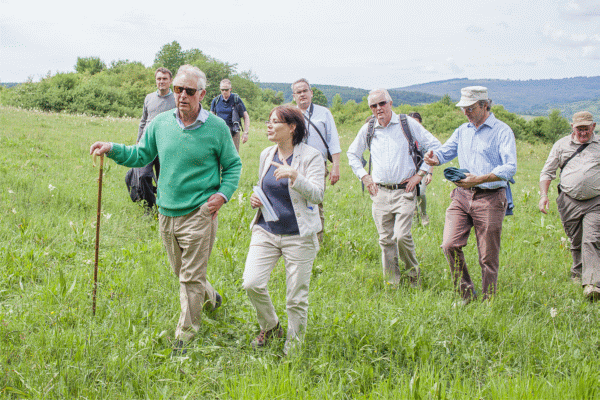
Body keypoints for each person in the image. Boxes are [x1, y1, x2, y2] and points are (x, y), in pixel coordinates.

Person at [90, 65, 242, 354]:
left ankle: (185, 336)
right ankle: (211, 297)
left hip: (200, 212)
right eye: (178, 89)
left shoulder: (217, 129)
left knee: (189, 277)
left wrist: (222, 195)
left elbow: (233, 165)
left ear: (202, 94)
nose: (182, 95)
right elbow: (141, 154)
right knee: (182, 273)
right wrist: (111, 148)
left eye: (189, 91)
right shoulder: (160, 123)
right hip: (165, 213)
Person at [242, 105, 324, 355]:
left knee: (296, 297)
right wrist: (257, 198)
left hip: (299, 235)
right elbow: (265, 186)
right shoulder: (266, 153)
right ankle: (271, 326)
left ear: (291, 127)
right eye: (268, 121)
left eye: (275, 121)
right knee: (251, 283)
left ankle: (294, 349)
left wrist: (296, 177)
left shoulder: (311, 157)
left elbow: (318, 194)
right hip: (266, 229)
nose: (269, 125)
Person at [424, 86, 517, 304]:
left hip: (491, 197)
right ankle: (465, 294)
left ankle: (488, 301)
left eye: (471, 108)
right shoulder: (462, 130)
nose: (466, 112)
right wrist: (434, 157)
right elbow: (445, 152)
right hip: (462, 195)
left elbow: (510, 167)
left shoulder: (502, 131)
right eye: (463, 108)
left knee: (487, 256)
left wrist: (481, 178)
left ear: (485, 105)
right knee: (449, 244)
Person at [347, 89, 441, 286]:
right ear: (370, 108)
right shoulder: (369, 128)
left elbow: (435, 146)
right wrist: (364, 176)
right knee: (385, 240)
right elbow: (352, 154)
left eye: (382, 103)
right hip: (379, 192)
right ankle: (392, 283)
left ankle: (414, 278)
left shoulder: (407, 123)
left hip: (404, 190)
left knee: (401, 236)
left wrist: (420, 174)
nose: (379, 108)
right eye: (374, 106)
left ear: (390, 103)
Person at [539, 111, 600, 300]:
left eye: (586, 128)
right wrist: (544, 196)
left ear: (593, 127)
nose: (583, 132)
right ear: (572, 127)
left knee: (592, 239)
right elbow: (547, 172)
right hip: (568, 200)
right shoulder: (561, 145)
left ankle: (592, 284)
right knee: (576, 239)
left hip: (595, 201)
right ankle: (577, 272)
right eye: (579, 128)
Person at [292, 78, 342, 243]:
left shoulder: (324, 113)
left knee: (314, 201)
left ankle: (316, 241)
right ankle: (297, 238)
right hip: (294, 164)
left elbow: (333, 141)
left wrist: (335, 167)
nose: (302, 95)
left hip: (318, 165)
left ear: (311, 93)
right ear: (294, 96)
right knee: (294, 200)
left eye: (305, 91)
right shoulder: (290, 113)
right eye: (298, 92)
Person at [135, 67, 176, 213]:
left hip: (167, 145)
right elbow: (143, 120)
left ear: (170, 81)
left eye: (165, 79)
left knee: (163, 178)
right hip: (147, 144)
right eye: (159, 79)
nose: (161, 81)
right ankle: (149, 207)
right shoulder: (149, 98)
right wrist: (138, 140)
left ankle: (163, 206)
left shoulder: (176, 99)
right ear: (155, 80)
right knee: (143, 175)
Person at [210, 78, 250, 152]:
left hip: (234, 131)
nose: (224, 92)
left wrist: (245, 133)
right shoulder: (216, 100)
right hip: (219, 132)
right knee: (219, 156)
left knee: (233, 157)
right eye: (222, 90)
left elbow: (246, 116)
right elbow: (211, 118)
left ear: (230, 89)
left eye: (226, 89)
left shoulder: (236, 99)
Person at [408, 112, 434, 227]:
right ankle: (414, 217)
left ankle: (423, 214)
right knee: (410, 194)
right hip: (408, 172)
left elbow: (431, 156)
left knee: (421, 192)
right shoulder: (405, 137)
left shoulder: (424, 138)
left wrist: (429, 173)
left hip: (421, 170)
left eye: (416, 122)